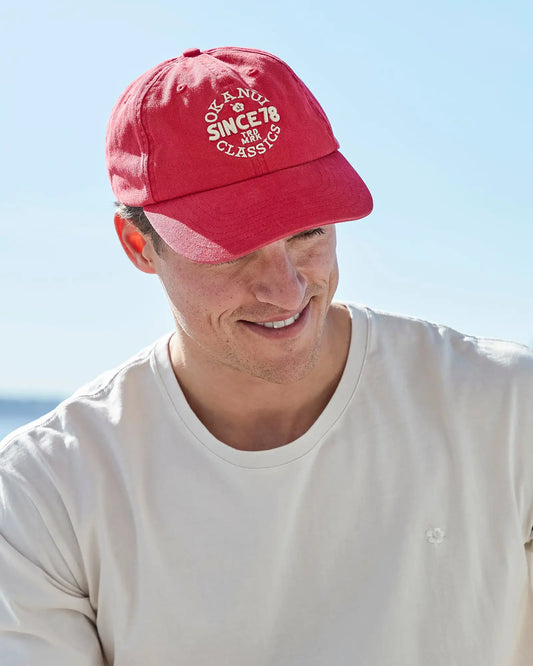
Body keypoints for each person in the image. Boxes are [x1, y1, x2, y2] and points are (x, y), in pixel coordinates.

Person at [0, 46, 531, 666]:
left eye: (308, 231)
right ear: (138, 246)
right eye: (230, 246)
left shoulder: (508, 410)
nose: (286, 289)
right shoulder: (42, 493)